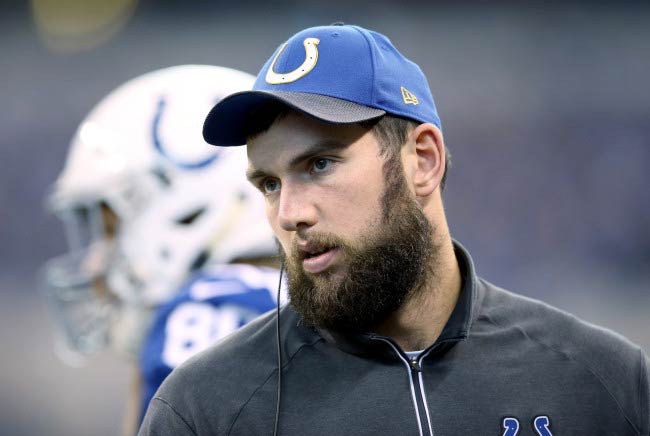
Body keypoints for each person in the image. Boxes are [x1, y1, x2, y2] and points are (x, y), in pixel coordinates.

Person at [138, 25, 650, 436]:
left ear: (423, 161)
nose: (290, 213)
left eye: (319, 165)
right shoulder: (205, 409)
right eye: (269, 183)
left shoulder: (602, 380)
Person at [41, 65, 285, 435]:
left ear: (184, 211)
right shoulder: (307, 301)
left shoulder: (207, 309)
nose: (95, 262)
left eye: (110, 229)